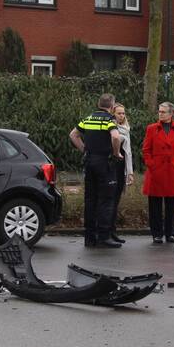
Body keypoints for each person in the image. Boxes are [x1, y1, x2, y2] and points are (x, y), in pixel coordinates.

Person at [69, 93, 123, 248]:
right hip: (105, 163)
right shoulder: (109, 119)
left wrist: (85, 150)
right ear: (112, 106)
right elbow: (115, 137)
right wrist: (116, 153)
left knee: (90, 200)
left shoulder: (88, 118)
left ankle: (89, 237)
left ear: (99, 104)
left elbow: (73, 135)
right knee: (106, 200)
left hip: (90, 162)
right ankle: (104, 236)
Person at [142, 102, 174, 244]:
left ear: (171, 113)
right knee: (154, 204)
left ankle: (169, 233)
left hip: (173, 170)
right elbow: (146, 149)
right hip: (156, 170)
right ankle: (156, 234)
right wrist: (151, 164)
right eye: (159, 111)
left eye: (163, 112)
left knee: (170, 204)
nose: (160, 113)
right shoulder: (152, 129)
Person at [109, 103, 133, 243]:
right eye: (119, 113)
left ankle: (113, 230)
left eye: (123, 113)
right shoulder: (112, 129)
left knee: (116, 200)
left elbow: (128, 152)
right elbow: (116, 142)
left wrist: (130, 172)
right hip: (114, 165)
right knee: (111, 200)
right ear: (113, 114)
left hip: (122, 166)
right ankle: (108, 231)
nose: (122, 116)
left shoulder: (125, 128)